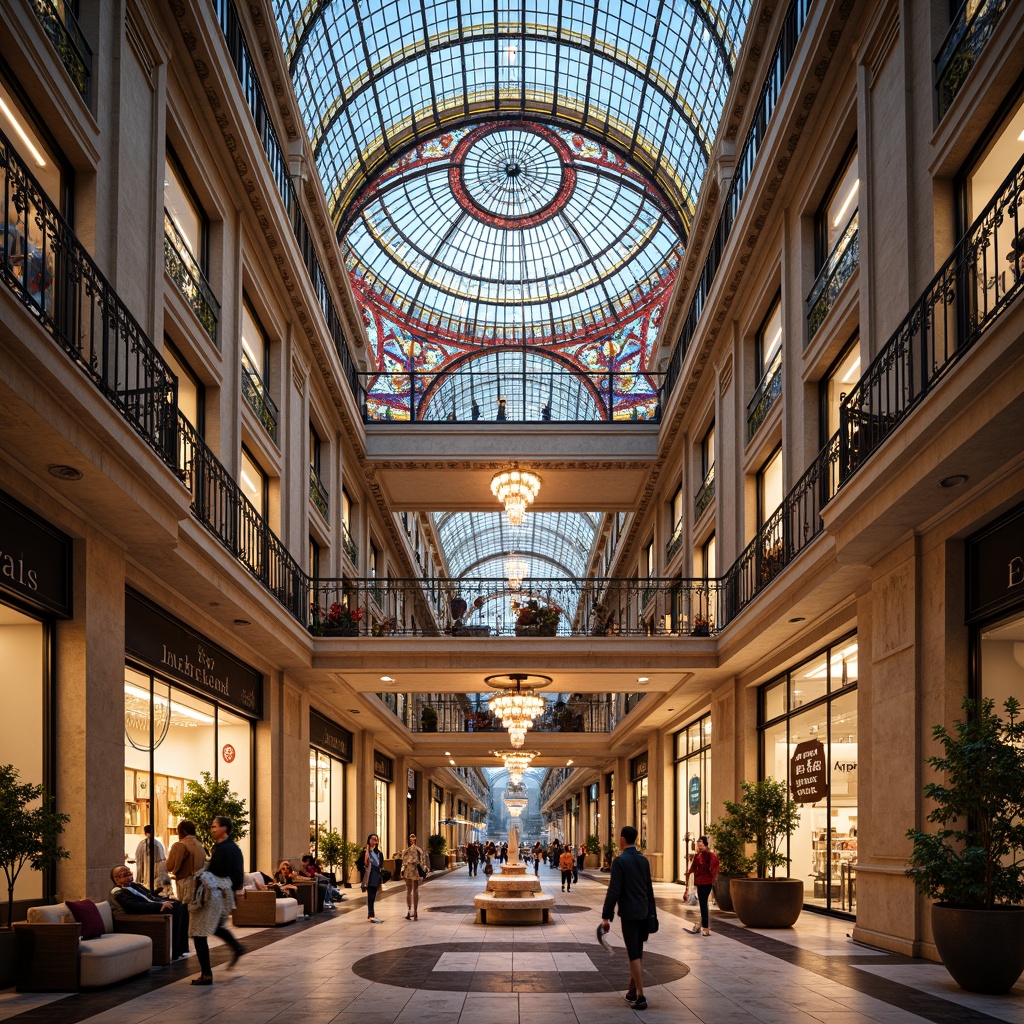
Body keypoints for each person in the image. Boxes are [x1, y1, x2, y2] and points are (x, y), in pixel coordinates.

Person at [600, 825, 656, 1011]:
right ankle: (632, 990)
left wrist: (606, 916)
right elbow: (649, 890)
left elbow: (614, 890)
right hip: (643, 912)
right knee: (637, 951)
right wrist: (652, 912)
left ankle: (641, 996)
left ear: (623, 839)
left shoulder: (620, 861)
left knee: (633, 954)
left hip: (630, 915)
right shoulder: (644, 860)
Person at [188, 815, 245, 986]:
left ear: (224, 829)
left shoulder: (225, 849)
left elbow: (219, 872)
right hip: (220, 893)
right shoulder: (226, 847)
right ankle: (237, 947)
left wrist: (200, 875)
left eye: (215, 826)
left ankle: (206, 975)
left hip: (215, 894)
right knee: (214, 927)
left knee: (199, 933)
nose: (212, 829)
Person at [109, 864, 190, 959]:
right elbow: (136, 906)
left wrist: (163, 899)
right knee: (175, 908)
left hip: (152, 906)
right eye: (126, 875)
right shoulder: (118, 892)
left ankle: (181, 948)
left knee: (182, 905)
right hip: (139, 915)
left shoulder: (134, 885)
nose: (130, 877)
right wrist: (160, 905)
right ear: (116, 879)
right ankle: (174, 950)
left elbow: (149, 896)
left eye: (130, 874)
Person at [683, 835, 719, 936]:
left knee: (703, 904)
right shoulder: (701, 855)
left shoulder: (708, 855)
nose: (699, 847)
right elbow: (693, 868)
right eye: (698, 845)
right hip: (701, 882)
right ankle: (702, 925)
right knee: (703, 904)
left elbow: (713, 868)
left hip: (706, 882)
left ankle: (705, 927)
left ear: (706, 845)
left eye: (701, 845)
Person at [165, 819, 206, 905]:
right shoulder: (199, 845)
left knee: (184, 910)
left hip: (184, 882)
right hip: (199, 883)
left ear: (183, 831)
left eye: (178, 832)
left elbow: (169, 867)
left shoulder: (178, 845)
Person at [399, 832, 429, 920]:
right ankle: (414, 911)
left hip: (408, 871)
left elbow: (403, 863)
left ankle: (410, 910)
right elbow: (423, 861)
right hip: (415, 871)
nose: (412, 838)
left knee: (409, 890)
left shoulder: (406, 851)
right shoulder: (418, 850)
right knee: (414, 890)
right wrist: (425, 871)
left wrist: (402, 872)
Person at [134, 824, 169, 894]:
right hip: (150, 870)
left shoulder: (146, 844)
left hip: (151, 870)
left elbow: (138, 858)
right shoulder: (157, 843)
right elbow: (162, 858)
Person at [363, 833, 385, 923]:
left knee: (373, 895)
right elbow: (364, 862)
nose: (373, 841)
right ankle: (372, 915)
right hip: (369, 874)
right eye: (372, 839)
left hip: (376, 874)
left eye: (375, 840)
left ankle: (370, 913)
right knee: (370, 895)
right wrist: (367, 849)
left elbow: (381, 864)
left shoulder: (379, 853)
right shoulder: (365, 851)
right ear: (369, 840)